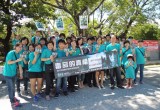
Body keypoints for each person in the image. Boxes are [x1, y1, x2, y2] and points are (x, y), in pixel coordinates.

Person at [3, 43, 23, 107]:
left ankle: (13, 97)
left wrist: (21, 73)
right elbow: (8, 62)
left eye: (21, 47)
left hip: (14, 73)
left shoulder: (19, 54)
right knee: (10, 87)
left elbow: (20, 65)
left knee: (13, 87)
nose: (20, 48)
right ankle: (12, 102)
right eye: (19, 47)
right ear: (15, 47)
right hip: (8, 73)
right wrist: (17, 60)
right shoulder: (11, 53)